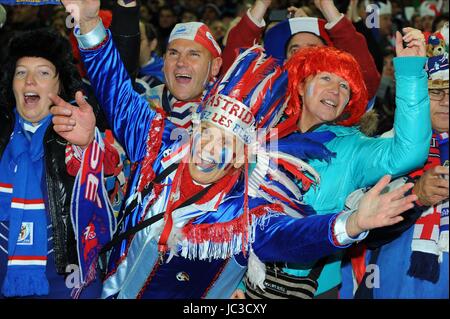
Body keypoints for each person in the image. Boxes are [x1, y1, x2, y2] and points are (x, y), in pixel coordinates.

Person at [51, 2, 418, 298]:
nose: (211, 148)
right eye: (208, 132)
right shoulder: (155, 146)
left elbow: (294, 240)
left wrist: (350, 225)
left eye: (227, 143)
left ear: (245, 155)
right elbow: (114, 87)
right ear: (194, 126)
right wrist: (88, 23)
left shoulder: (247, 208)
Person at [238, 26, 432, 298]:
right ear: (301, 85)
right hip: (241, 282)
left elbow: (409, 152)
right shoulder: (262, 131)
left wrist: (411, 72)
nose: (335, 90)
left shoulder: (352, 148)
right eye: (326, 77)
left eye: (344, 86)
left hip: (314, 289)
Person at [340, 24, 449, 299]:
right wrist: (416, 195)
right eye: (436, 91)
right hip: (393, 283)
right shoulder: (386, 147)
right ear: (420, 93)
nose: (446, 102)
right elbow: (356, 228)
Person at [0, 29, 109, 299]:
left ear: (60, 85)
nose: (30, 81)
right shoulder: (2, 132)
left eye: (43, 73)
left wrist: (87, 147)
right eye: (21, 72)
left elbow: (100, 207)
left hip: (68, 282)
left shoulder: (77, 130)